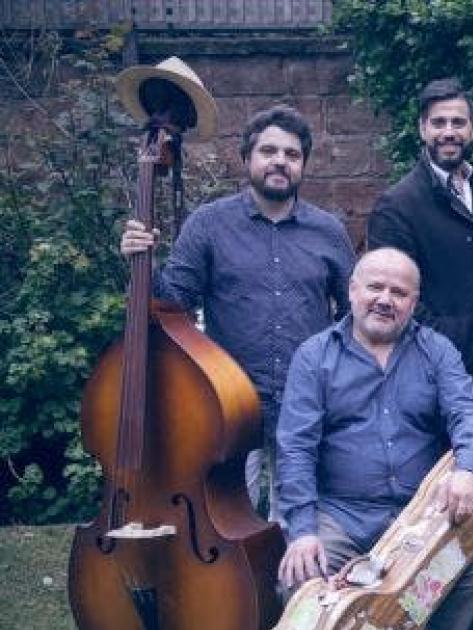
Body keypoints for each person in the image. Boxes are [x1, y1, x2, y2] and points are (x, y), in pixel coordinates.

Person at [275, 247, 473, 630]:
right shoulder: (315, 356)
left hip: (418, 518)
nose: (385, 299)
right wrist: (303, 530)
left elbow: (469, 415)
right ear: (352, 291)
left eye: (399, 292)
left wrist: (468, 469)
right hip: (341, 513)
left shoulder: (436, 351)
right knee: (302, 577)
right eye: (375, 287)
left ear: (413, 302)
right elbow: (295, 448)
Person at [120, 104, 354, 519]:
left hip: (306, 399)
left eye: (292, 154)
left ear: (303, 164)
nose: (280, 161)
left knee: (300, 521)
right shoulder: (208, 225)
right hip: (229, 398)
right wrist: (143, 264)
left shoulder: (329, 231)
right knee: (228, 520)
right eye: (268, 151)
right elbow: (173, 305)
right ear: (247, 158)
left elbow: (353, 313)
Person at [367, 77, 473, 607]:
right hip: (431, 366)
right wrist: (445, 347)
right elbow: (392, 298)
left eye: (458, 122)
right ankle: (435, 577)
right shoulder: (399, 204)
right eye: (438, 122)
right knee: (440, 475)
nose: (449, 131)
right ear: (422, 129)